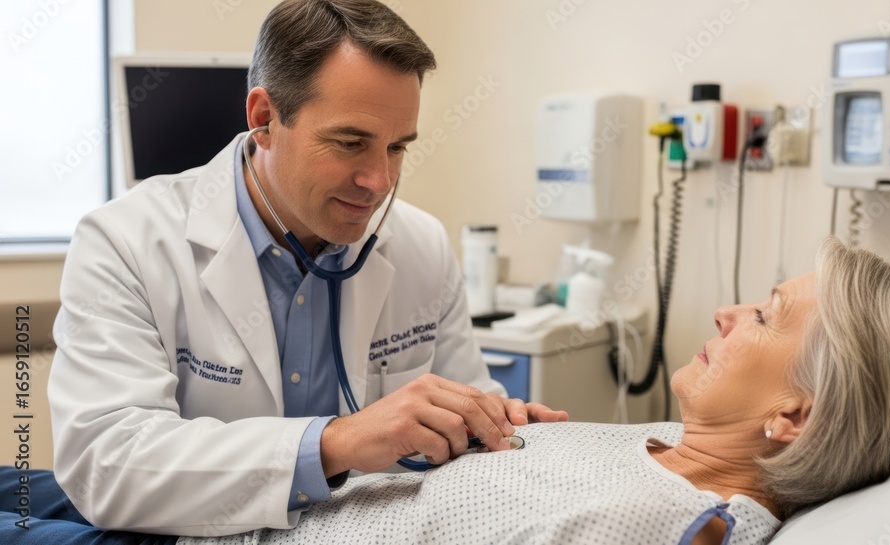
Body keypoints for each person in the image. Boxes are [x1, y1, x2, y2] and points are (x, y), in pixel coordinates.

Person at [13, 239, 890, 544]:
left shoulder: (671, 518)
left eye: (770, 316)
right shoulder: (659, 443)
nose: (734, 309)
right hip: (230, 502)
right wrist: (479, 433)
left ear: (793, 417)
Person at [46, 0, 566, 537]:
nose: (380, 180)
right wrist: (337, 443)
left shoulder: (421, 245)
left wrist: (495, 426)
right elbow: (107, 465)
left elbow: (465, 405)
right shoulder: (126, 241)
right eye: (350, 143)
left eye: (397, 148)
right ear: (264, 119)